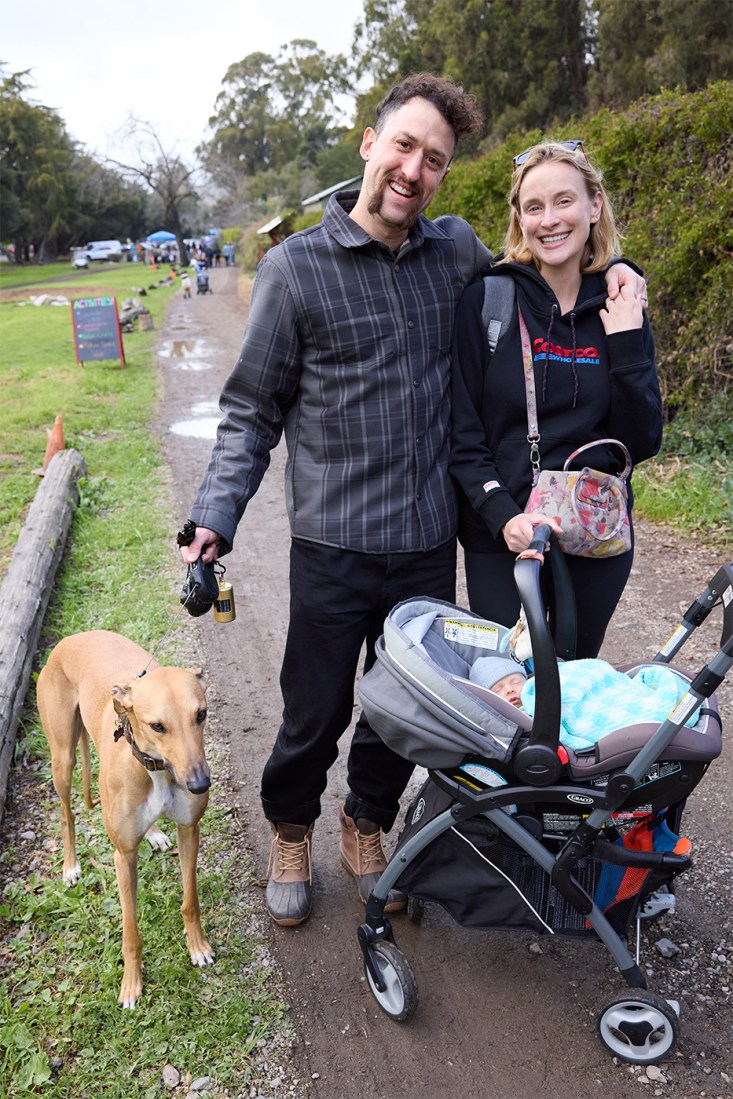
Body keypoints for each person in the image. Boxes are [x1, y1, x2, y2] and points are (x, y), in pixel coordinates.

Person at [179, 78, 648, 929]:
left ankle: (366, 820)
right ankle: (293, 828)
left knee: (404, 711)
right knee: (314, 709)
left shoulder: (457, 253)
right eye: (404, 147)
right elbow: (250, 410)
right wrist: (214, 517)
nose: (414, 169)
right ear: (369, 143)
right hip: (331, 541)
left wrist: (614, 275)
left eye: (433, 160)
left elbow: (547, 273)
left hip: (428, 543)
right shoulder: (294, 270)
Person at [450, 141, 662, 658]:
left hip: (594, 531)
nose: (550, 220)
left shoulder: (619, 304)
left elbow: (641, 442)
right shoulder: (489, 300)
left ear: (594, 206)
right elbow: (463, 436)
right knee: (504, 687)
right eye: (534, 207)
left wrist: (628, 343)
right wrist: (504, 516)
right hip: (503, 531)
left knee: (572, 676)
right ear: (520, 219)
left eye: (564, 201)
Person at [468, 653, 699, 752]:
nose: (509, 690)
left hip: (591, 697)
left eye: (513, 682)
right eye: (497, 689)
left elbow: (581, 677)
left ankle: (650, 704)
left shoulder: (534, 689)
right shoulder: (513, 719)